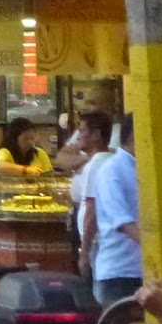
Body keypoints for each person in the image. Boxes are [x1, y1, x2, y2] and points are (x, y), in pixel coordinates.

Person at [82, 111, 141, 311]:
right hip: (120, 272)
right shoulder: (112, 170)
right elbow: (121, 221)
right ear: (135, 136)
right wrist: (157, 246)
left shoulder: (143, 169)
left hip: (142, 269)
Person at [64, 111, 115, 264]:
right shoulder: (109, 161)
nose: (78, 136)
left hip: (97, 243)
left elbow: (92, 210)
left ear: (96, 135)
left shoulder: (96, 165)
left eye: (82, 131)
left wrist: (84, 252)